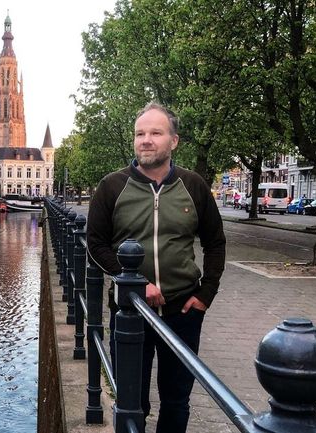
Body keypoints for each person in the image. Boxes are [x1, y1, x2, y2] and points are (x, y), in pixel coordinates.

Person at [86, 102, 226, 433]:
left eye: (155, 133)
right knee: (133, 402)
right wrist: (132, 282)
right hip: (130, 311)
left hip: (183, 311)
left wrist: (206, 295)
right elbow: (96, 245)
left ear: (173, 141)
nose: (145, 140)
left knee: (176, 401)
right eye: (140, 133)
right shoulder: (112, 186)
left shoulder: (193, 186)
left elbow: (215, 242)